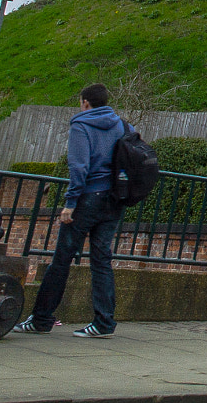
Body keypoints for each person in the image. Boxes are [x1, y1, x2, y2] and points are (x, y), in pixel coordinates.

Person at [18, 83, 130, 338]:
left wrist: (70, 203)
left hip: (89, 198)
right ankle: (103, 323)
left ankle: (41, 319)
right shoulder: (123, 125)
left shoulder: (82, 125)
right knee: (102, 260)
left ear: (86, 103)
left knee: (62, 259)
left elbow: (79, 167)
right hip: (114, 198)